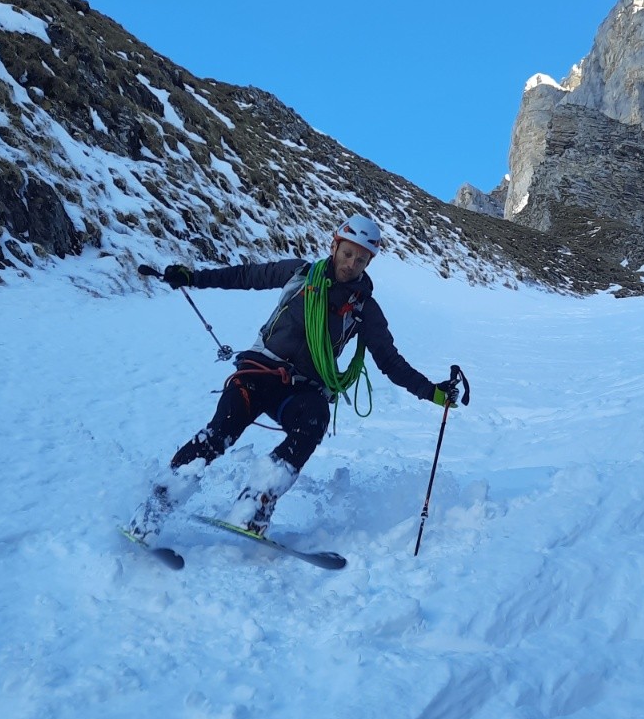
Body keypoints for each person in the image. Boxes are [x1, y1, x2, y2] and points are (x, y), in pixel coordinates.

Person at [127, 213, 460, 540]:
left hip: (302, 390)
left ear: (368, 263)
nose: (350, 264)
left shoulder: (364, 310)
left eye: (360, 260)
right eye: (347, 254)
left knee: (314, 419)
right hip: (259, 370)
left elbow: (390, 361)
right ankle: (153, 510)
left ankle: (255, 505)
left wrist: (432, 392)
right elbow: (246, 276)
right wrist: (193, 277)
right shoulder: (299, 273)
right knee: (222, 428)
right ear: (334, 246)